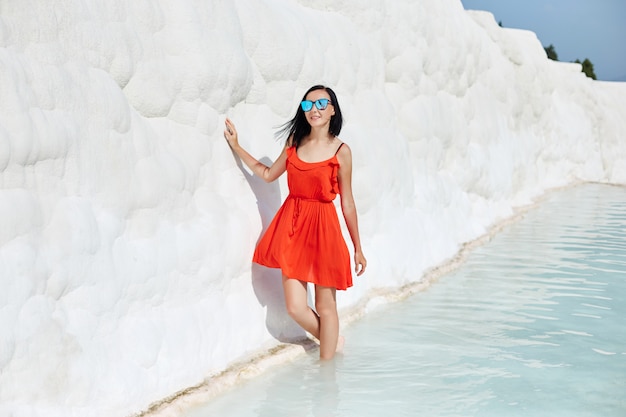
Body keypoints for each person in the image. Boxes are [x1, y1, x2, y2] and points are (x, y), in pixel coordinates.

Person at [223, 85, 366, 360]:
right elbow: (267, 174)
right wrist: (237, 147)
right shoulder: (294, 142)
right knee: (296, 308)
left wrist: (358, 247)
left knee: (326, 307)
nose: (314, 109)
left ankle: (328, 376)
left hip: (324, 229)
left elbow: (347, 202)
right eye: (308, 105)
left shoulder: (342, 151)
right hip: (293, 228)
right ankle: (332, 342)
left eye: (321, 103)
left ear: (333, 109)